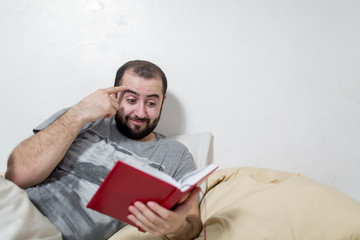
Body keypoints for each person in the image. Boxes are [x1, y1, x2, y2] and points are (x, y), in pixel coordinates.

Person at [5, 60, 202, 240]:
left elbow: (192, 223)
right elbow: (17, 175)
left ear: (162, 101)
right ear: (115, 95)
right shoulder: (80, 117)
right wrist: (79, 112)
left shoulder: (176, 154)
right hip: (13, 213)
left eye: (151, 103)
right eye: (131, 100)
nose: (141, 113)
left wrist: (175, 226)